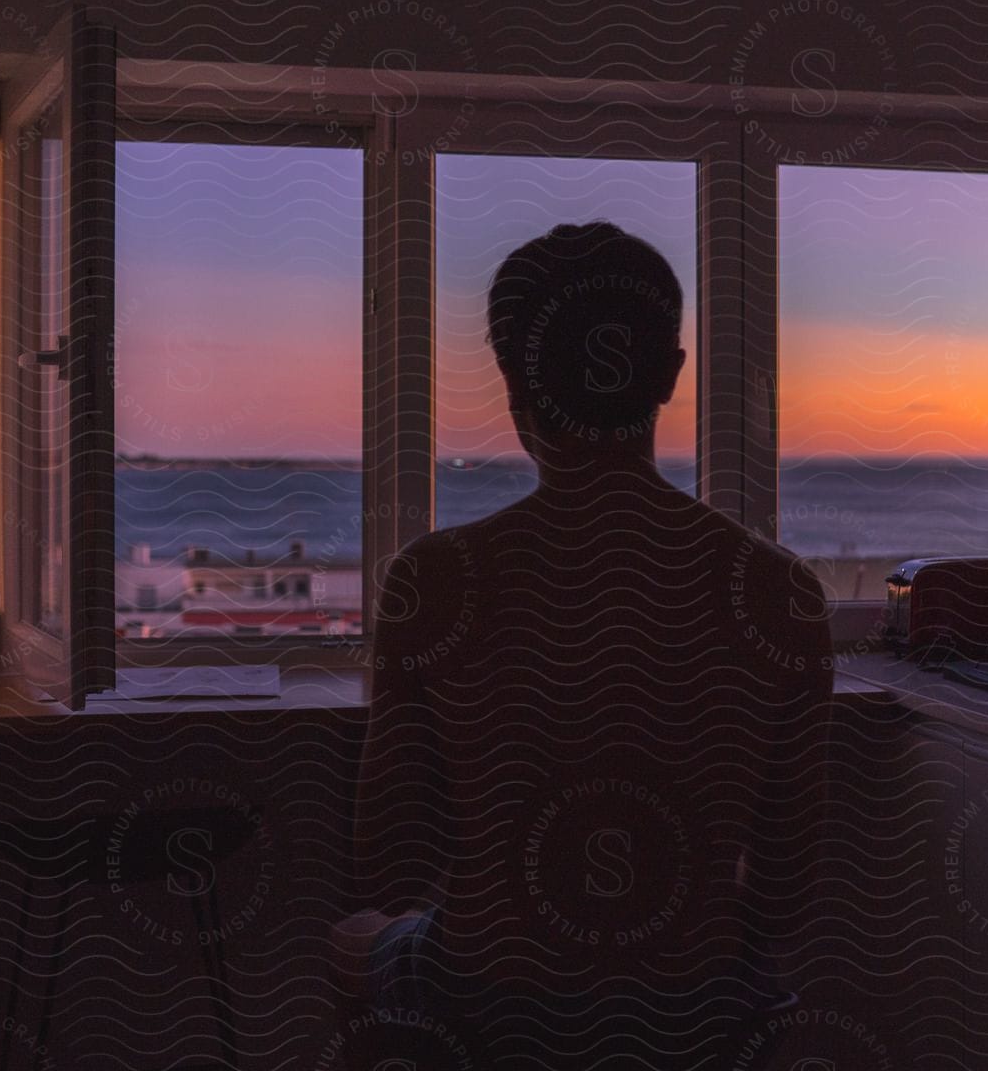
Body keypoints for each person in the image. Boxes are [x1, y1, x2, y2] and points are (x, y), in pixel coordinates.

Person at [340, 222, 834, 1070]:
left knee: (353, 940)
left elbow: (390, 864)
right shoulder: (779, 592)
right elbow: (787, 893)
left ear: (510, 381)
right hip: (694, 1013)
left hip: (493, 1004)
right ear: (671, 376)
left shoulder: (437, 580)